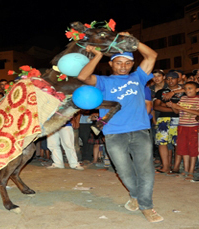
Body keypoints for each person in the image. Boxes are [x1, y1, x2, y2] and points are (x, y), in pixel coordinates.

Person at [77, 33, 163, 222]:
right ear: (111, 64)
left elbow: (152, 56)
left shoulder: (138, 77)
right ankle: (135, 195)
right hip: (113, 133)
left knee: (145, 170)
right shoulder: (103, 81)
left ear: (132, 64)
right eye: (118, 62)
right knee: (124, 171)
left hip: (140, 131)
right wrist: (98, 55)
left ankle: (147, 206)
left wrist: (133, 41)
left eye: (127, 63)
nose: (123, 66)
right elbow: (83, 76)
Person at [168, 82, 199, 180]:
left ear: (197, 90)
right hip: (182, 126)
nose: (187, 90)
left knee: (193, 149)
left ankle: (191, 171)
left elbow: (198, 113)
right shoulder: (183, 98)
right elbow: (177, 111)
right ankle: (186, 169)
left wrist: (180, 107)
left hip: (193, 126)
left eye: (190, 88)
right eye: (186, 89)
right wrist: (173, 106)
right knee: (183, 148)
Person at [153, 71, 184, 175]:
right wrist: (174, 108)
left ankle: (176, 167)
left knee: (178, 143)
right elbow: (156, 106)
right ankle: (166, 167)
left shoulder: (184, 90)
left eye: (173, 78)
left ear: (178, 79)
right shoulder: (161, 92)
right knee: (162, 143)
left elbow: (185, 106)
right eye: (168, 79)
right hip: (163, 119)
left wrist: (167, 104)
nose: (170, 81)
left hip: (180, 120)